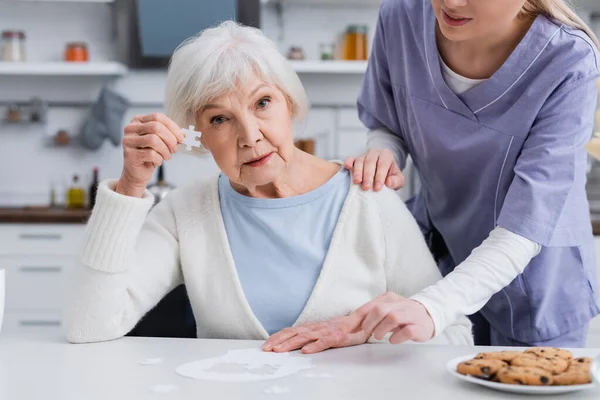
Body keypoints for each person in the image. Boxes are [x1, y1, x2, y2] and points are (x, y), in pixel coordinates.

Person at [64, 21, 473, 351]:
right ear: (198, 136)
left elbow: (453, 334)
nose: (250, 136)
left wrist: (368, 335)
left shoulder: (367, 199)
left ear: (289, 104)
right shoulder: (184, 212)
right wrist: (131, 185)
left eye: (262, 103)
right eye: (219, 119)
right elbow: (90, 325)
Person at [343, 0, 600, 347]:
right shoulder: (401, 16)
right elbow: (388, 121)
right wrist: (385, 153)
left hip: (534, 288)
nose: (450, 2)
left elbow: (526, 225)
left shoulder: (568, 61)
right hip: (439, 262)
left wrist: (434, 307)